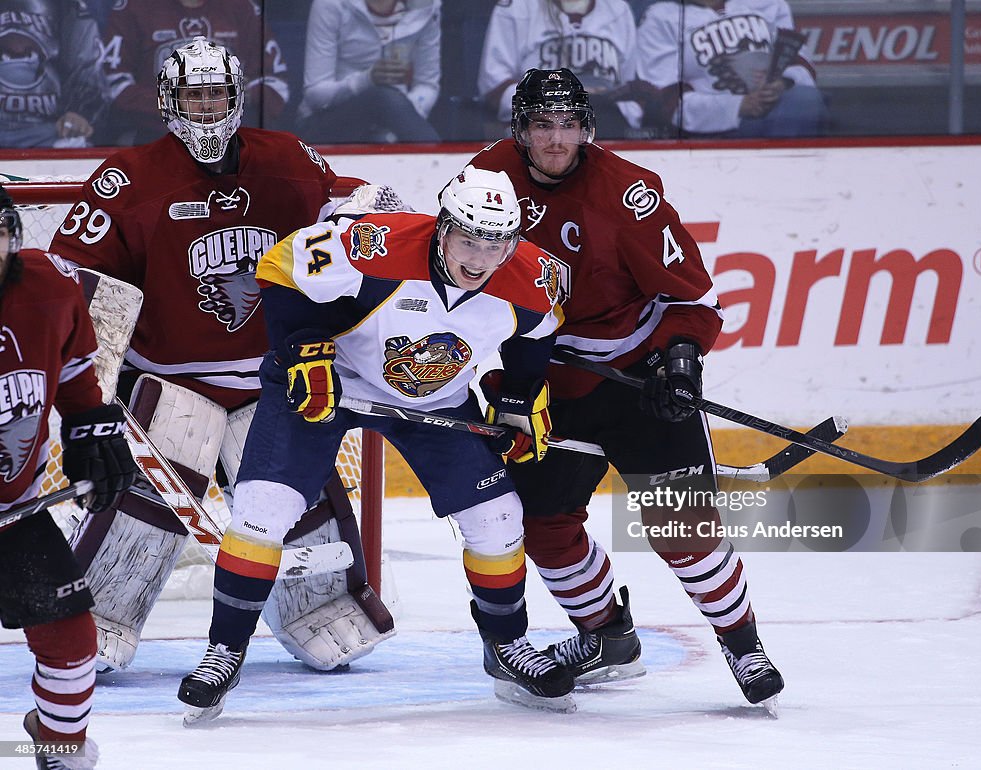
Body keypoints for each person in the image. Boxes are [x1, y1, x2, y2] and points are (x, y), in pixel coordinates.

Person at [178, 165, 576, 722]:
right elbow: (280, 268)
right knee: (262, 512)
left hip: (435, 397)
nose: (481, 258)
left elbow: (534, 339)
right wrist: (301, 352)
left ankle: (506, 645)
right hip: (333, 380)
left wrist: (517, 402)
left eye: (496, 243)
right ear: (442, 228)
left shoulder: (535, 278)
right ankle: (225, 651)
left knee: (498, 517)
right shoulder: (373, 243)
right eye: (468, 239)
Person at [49, 35, 394, 678]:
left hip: (274, 375)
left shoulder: (288, 158)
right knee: (144, 507)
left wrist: (368, 211)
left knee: (300, 501)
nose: (205, 107)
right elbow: (73, 279)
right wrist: (87, 383)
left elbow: (348, 210)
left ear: (237, 99)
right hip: (171, 379)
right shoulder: (128, 177)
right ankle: (102, 619)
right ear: (166, 101)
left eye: (216, 93)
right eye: (192, 94)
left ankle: (323, 610)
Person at [468, 68, 785, 707]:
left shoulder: (630, 195)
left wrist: (681, 365)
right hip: (547, 381)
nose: (555, 140)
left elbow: (694, 298)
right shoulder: (486, 180)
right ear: (520, 131)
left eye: (567, 125)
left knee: (684, 528)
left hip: (636, 374)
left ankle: (743, 643)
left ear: (586, 130)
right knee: (544, 523)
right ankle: (607, 635)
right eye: (540, 125)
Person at [0, 187, 134, 769]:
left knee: (74, 644)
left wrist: (90, 431)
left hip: (17, 514)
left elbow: (77, 368)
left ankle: (59, 749)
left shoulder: (50, 289)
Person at [99, 0, 291, 145]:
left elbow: (275, 84)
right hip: (155, 136)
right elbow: (114, 86)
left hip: (232, 139)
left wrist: (235, 96)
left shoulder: (242, 8)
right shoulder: (134, 8)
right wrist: (178, 108)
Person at [635, 0, 826, 137]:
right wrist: (736, 107)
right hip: (711, 129)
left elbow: (798, 59)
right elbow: (663, 99)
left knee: (803, 100)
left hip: (777, 107)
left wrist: (782, 83)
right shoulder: (660, 17)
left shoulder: (768, 3)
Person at [477, 0, 641, 139]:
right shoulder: (516, 7)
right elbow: (495, 92)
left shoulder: (619, 9)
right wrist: (558, 98)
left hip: (607, 129)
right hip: (538, 130)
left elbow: (630, 92)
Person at [296, 0, 442, 144]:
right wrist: (368, 79)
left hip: (394, 121)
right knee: (381, 96)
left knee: (387, 104)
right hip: (327, 121)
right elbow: (315, 95)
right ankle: (442, 161)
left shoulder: (426, 6)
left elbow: (427, 85)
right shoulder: (331, 5)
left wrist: (402, 115)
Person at [0, 0, 109, 148]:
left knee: (75, 145)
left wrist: (79, 113)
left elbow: (86, 71)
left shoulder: (71, 7)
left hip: (51, 131)